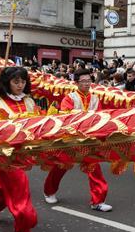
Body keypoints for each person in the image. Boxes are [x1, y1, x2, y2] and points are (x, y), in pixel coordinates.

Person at [0, 67, 41, 232]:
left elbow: (39, 123)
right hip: (4, 156)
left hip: (24, 154)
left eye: (23, 81)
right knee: (20, 189)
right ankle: (23, 230)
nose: (20, 85)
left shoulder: (29, 101)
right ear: (7, 82)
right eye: (16, 82)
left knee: (5, 190)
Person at [43, 69, 113, 212]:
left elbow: (100, 117)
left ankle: (97, 201)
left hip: (88, 141)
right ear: (76, 83)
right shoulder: (69, 98)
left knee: (94, 168)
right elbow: (65, 119)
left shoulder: (95, 98)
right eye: (84, 81)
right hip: (71, 141)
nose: (87, 84)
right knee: (60, 166)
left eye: (89, 81)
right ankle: (49, 191)